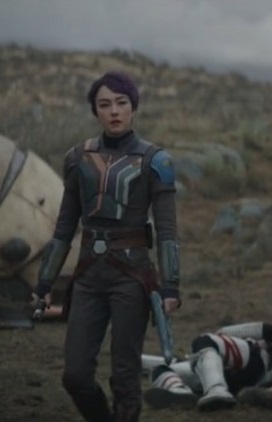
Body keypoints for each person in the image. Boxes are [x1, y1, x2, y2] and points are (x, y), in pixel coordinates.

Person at [30, 70, 181, 422]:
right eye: (104, 104)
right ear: (95, 111)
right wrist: (45, 282)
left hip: (132, 277)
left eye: (121, 103)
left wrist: (171, 286)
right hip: (88, 277)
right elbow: (64, 227)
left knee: (125, 376)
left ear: (133, 107)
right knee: (75, 375)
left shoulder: (156, 161)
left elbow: (167, 230)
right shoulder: (77, 158)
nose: (114, 111)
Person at [140, 321, 272, 412]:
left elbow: (270, 331)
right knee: (161, 369)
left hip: (251, 358)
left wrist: (224, 332)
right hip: (236, 379)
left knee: (205, 341)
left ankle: (216, 389)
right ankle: (180, 391)